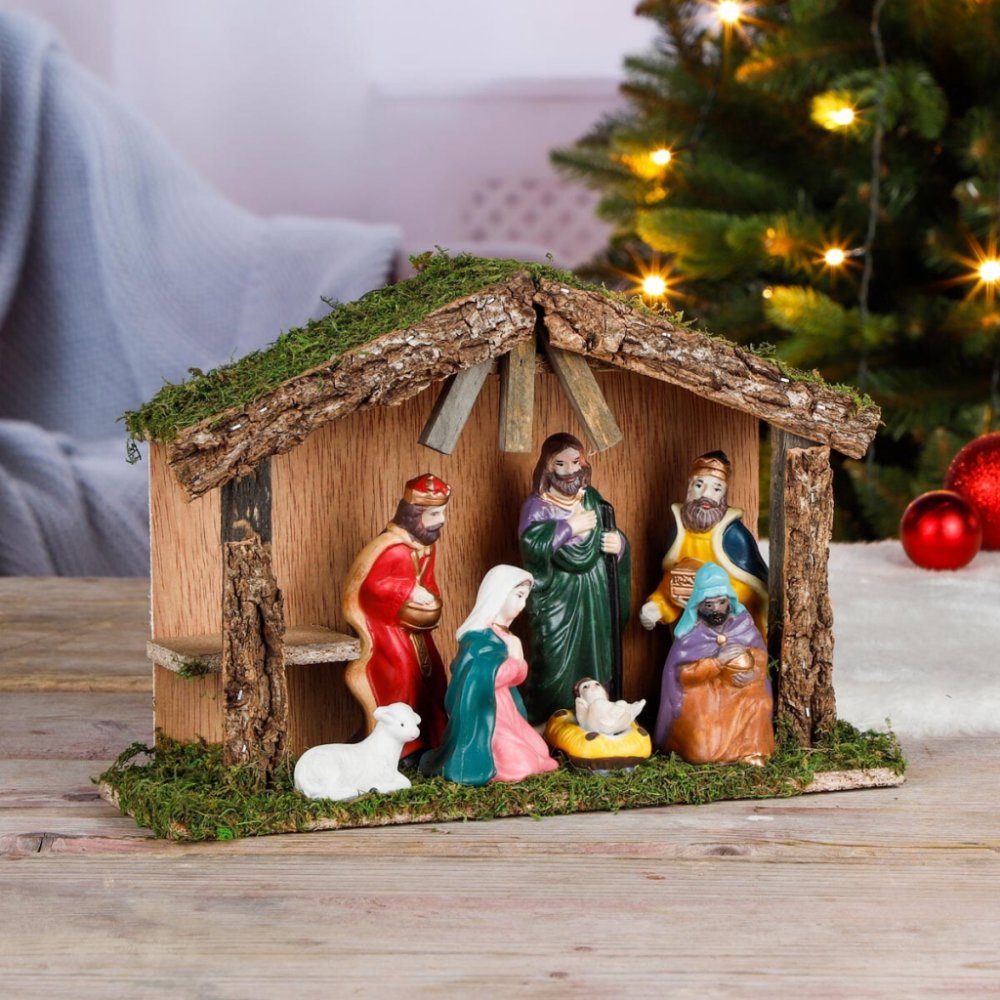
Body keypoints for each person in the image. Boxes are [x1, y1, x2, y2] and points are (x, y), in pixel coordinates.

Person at [517, 432, 631, 725]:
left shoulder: (591, 498)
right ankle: (548, 721)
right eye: (560, 464)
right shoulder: (537, 506)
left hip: (594, 593)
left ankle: (597, 714)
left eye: (575, 462)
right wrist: (569, 527)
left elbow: (609, 532)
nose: (569, 471)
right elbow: (531, 546)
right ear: (547, 466)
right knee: (553, 662)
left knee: (596, 655)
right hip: (558, 597)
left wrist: (619, 545)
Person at [342, 474, 451, 760]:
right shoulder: (391, 547)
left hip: (414, 630)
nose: (442, 520)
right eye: (434, 514)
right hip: (385, 629)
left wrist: (432, 600)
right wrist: (408, 591)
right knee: (399, 674)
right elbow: (372, 587)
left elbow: (428, 581)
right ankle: (402, 749)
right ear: (414, 515)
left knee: (433, 676)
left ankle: (430, 738)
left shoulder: (427, 546)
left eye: (442, 512)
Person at [420, 565, 557, 786]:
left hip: (507, 711)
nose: (523, 605)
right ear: (499, 593)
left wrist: (517, 660)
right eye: (519, 596)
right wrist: (515, 661)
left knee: (540, 750)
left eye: (525, 598)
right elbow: (483, 677)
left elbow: (516, 678)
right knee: (521, 765)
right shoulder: (478, 637)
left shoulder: (508, 636)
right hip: (485, 716)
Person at [653, 562, 773, 765]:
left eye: (721, 602)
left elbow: (760, 654)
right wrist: (716, 663)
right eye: (709, 605)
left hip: (740, 687)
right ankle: (709, 754)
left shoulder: (743, 625)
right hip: (703, 692)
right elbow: (683, 675)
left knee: (758, 701)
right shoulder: (690, 635)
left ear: (730, 601)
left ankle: (750, 753)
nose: (716, 609)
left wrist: (753, 672)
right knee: (702, 749)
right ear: (698, 605)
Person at [640, 451, 769, 638]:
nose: (706, 494)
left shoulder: (733, 536)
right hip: (692, 634)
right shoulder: (678, 533)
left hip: (731, 631)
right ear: (689, 488)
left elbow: (752, 588)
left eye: (716, 489)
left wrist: (712, 599)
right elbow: (672, 583)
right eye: (699, 485)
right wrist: (657, 607)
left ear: (724, 495)